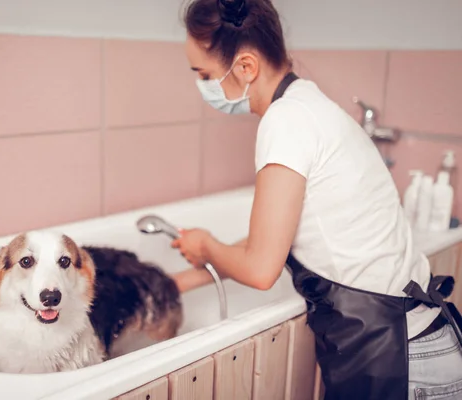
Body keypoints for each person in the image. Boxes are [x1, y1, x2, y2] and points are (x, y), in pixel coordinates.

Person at [170, 0, 462, 398]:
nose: (203, 86)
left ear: (245, 67)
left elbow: (259, 268)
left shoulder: (285, 121)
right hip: (418, 340)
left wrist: (206, 244)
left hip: (401, 360)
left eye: (204, 74)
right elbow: (272, 240)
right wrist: (184, 279)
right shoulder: (309, 104)